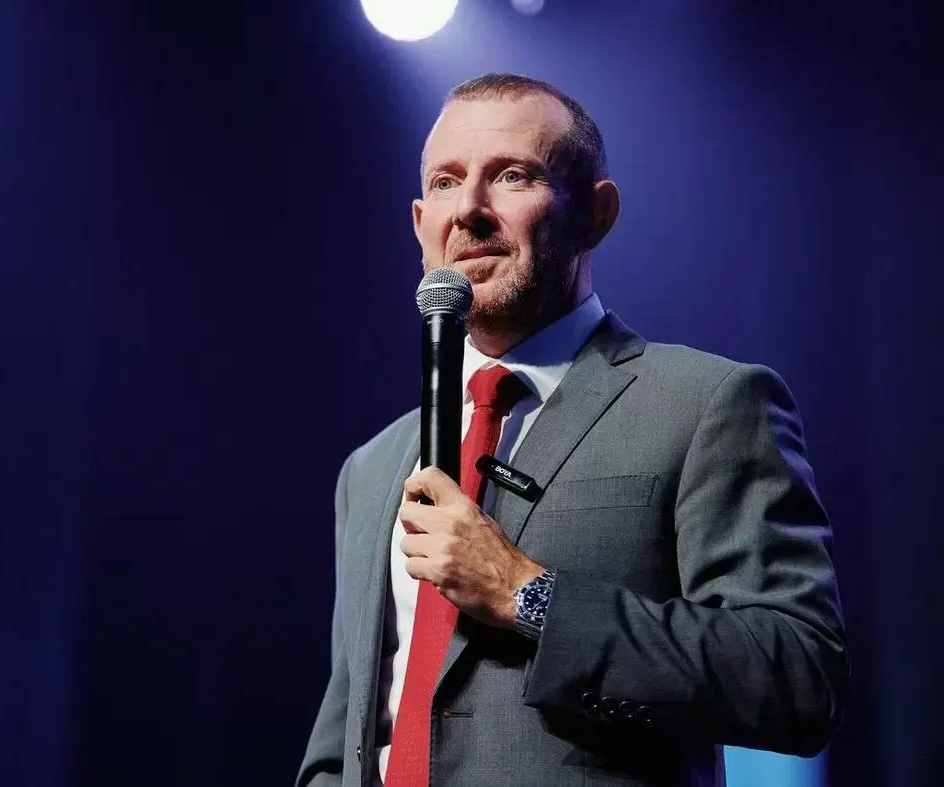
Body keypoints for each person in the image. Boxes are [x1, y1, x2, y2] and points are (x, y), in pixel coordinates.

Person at [297, 73, 849, 787]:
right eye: (445, 182)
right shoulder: (372, 467)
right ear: (419, 223)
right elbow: (345, 732)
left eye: (512, 176)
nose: (469, 209)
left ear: (596, 213)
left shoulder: (707, 404)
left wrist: (526, 594)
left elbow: (796, 678)